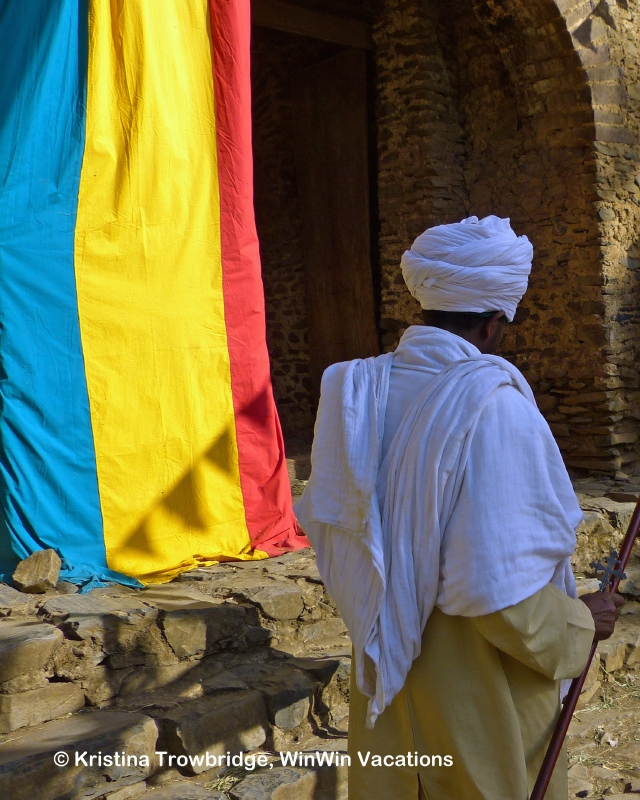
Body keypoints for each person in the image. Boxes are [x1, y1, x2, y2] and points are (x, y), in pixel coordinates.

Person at [295, 215, 624, 800]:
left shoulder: (353, 392)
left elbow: (339, 533)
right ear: (494, 323)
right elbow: (500, 594)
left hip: (388, 660)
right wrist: (579, 622)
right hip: (477, 681)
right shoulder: (493, 405)